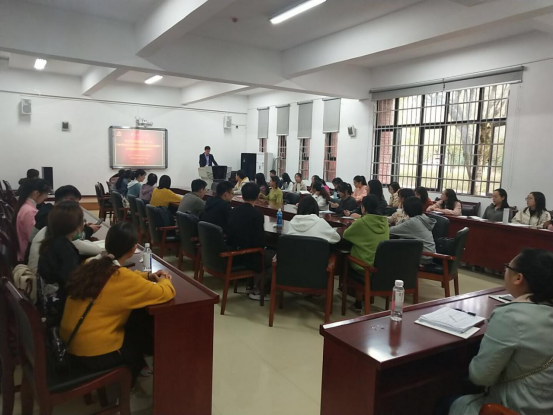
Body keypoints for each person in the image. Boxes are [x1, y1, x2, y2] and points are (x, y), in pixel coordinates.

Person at [61, 222, 175, 387]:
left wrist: (147, 276)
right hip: (91, 353)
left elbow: (123, 276)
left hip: (71, 341)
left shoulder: (92, 263)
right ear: (133, 248)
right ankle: (127, 387)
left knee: (135, 324)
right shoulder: (122, 279)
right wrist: (164, 279)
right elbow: (166, 292)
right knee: (139, 342)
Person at [445, 249, 553, 415]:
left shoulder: (511, 316)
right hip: (545, 406)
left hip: (513, 408)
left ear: (518, 278)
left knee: (444, 401)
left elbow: (480, 377)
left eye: (507, 267)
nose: (505, 271)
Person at [28, 185, 102, 274]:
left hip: (40, 275)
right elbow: (71, 278)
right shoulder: (63, 243)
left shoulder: (51, 224)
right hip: (43, 278)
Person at [226, 183, 275, 301]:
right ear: (257, 196)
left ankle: (250, 285)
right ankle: (259, 289)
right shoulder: (257, 215)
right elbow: (259, 242)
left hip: (233, 252)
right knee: (275, 257)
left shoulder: (233, 211)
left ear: (242, 196)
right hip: (249, 256)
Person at [37, 201, 83, 324]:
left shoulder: (50, 241)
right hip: (62, 312)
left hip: (49, 305)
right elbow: (75, 285)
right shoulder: (64, 249)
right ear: (76, 225)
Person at [343, 195, 390, 311]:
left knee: (345, 258)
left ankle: (357, 301)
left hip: (363, 266)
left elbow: (346, 235)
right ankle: (359, 301)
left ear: (363, 208)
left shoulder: (362, 222)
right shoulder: (384, 222)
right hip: (381, 267)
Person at [390, 197, 436, 265]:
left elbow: (391, 230)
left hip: (422, 256)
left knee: (389, 251)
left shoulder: (413, 222)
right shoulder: (423, 217)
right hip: (428, 255)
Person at [15, 178, 51, 261]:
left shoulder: (25, 206)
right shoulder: (30, 212)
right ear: (36, 193)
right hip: (29, 255)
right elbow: (34, 238)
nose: (46, 197)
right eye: (46, 194)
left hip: (25, 250)